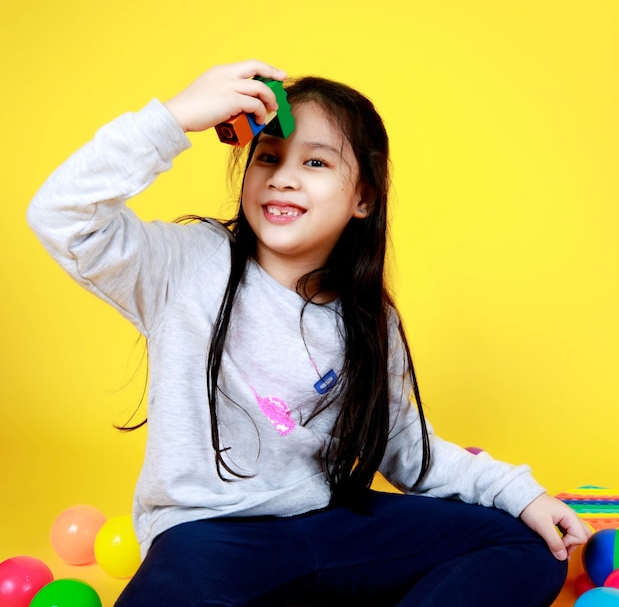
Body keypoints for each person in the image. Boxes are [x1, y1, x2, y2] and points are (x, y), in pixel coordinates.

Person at [28, 59, 590, 607]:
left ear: (364, 198)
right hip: (207, 539)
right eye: (267, 157)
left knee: (528, 544)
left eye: (316, 163)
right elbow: (60, 214)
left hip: (330, 527)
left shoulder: (369, 319)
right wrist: (174, 118)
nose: (284, 178)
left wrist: (520, 494)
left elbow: (405, 448)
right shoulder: (183, 266)